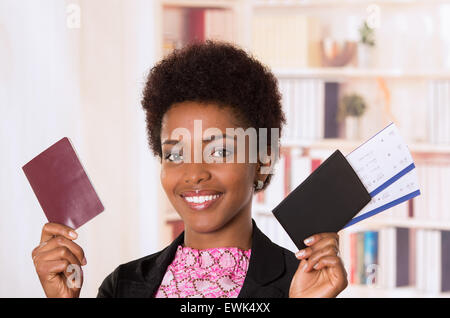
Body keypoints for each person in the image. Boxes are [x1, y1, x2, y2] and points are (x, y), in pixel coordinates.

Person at [31, 40, 348, 298]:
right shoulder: (122, 286)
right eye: (175, 155)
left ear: (262, 162)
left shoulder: (305, 286)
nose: (194, 173)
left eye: (219, 150)